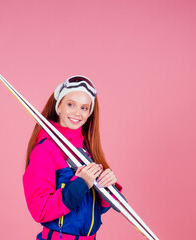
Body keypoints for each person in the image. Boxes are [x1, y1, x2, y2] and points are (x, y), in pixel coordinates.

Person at [23, 76, 122, 240]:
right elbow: (40, 211)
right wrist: (81, 183)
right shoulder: (45, 150)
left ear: (89, 113)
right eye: (71, 104)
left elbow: (93, 207)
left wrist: (107, 187)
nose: (77, 113)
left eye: (84, 108)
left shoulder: (87, 150)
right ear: (59, 106)